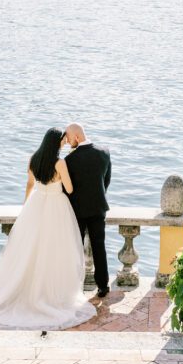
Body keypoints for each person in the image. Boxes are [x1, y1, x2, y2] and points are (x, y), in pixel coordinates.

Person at [0, 128, 96, 330]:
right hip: (56, 207)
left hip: (36, 205)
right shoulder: (60, 163)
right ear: (57, 143)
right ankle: (51, 293)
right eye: (63, 140)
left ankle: (27, 290)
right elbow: (69, 189)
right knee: (55, 250)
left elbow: (29, 184)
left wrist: (26, 208)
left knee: (29, 250)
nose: (65, 142)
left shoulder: (33, 159)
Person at [63, 123, 111, 298]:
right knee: (99, 246)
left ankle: (75, 286)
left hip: (78, 211)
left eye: (68, 138)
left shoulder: (70, 160)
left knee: (76, 248)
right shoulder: (104, 152)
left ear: (77, 137)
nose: (68, 142)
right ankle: (103, 286)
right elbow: (106, 181)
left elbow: (67, 189)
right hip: (98, 208)